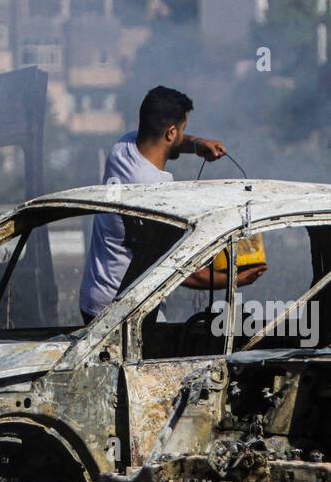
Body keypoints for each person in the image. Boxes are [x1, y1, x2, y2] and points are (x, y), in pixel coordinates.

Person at [79, 86, 266, 323]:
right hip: (124, 309)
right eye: (182, 130)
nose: (183, 136)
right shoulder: (157, 194)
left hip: (94, 295)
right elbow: (177, 271)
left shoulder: (122, 149)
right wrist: (238, 278)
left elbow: (165, 139)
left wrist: (197, 144)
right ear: (170, 132)